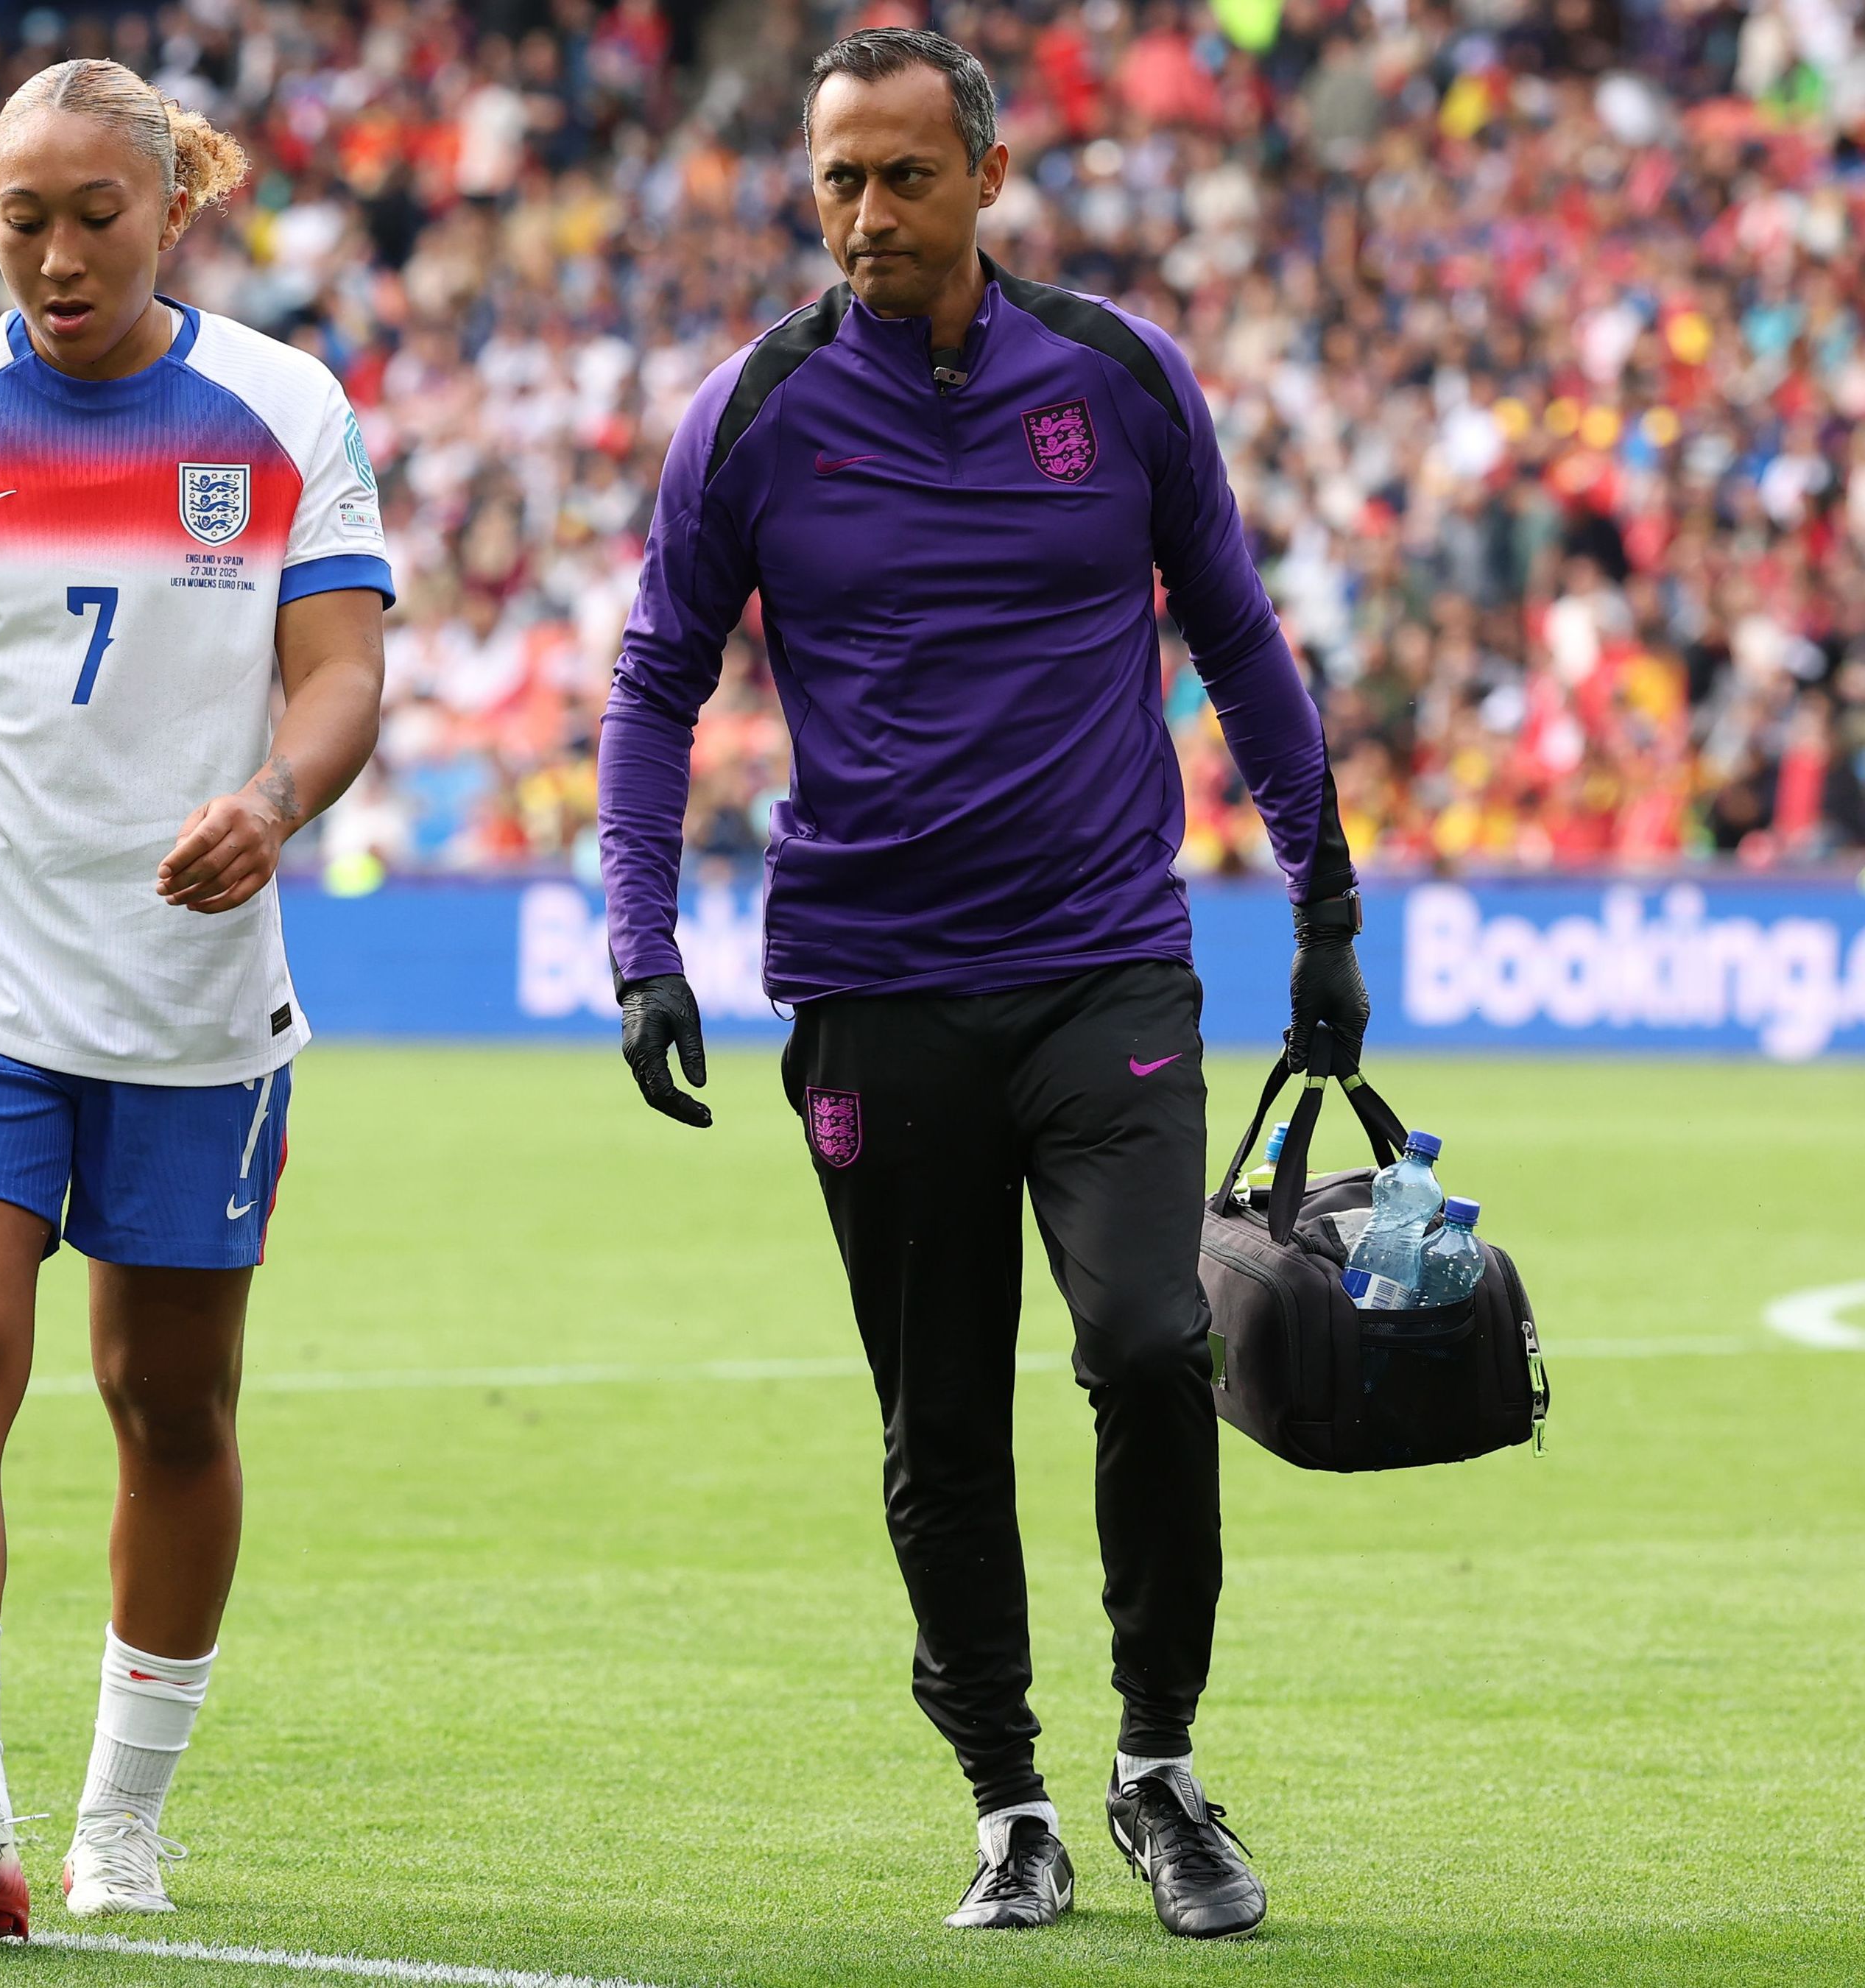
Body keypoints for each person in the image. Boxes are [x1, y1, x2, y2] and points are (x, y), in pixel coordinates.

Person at [596, 28, 1369, 1942]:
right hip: (871, 983)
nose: (866, 215)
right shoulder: (753, 414)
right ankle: (1009, 1796)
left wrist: (1325, 901)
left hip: (1102, 958)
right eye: (838, 180)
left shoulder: (1115, 380)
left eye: (905, 177)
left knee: (1150, 1343)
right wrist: (641, 944)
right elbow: (651, 682)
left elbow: (1245, 639)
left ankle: (1159, 1767)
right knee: (939, 1417)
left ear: (990, 178)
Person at [0, 57, 392, 1944]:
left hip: (194, 997)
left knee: (171, 1407)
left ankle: (126, 1816)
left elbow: (342, 669)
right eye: (18, 218)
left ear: (169, 207)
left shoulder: (283, 409)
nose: (51, 252)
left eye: (90, 215)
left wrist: (276, 801)